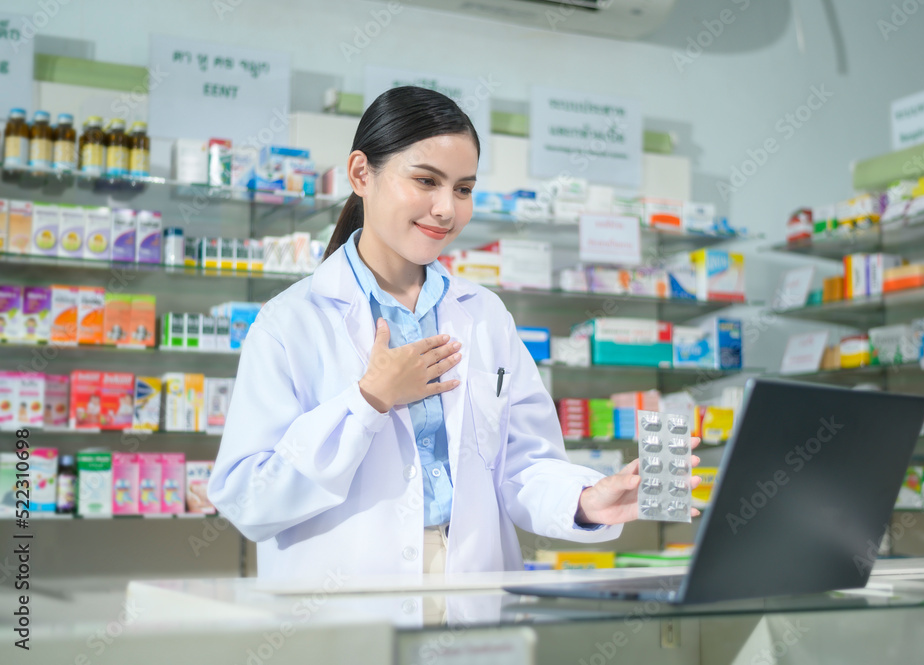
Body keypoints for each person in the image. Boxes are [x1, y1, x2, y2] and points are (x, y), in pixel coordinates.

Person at [208, 86, 699, 581]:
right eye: (426, 180)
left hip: (474, 583)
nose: (447, 208)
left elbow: (522, 466)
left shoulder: (485, 316)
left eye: (463, 189)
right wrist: (368, 401)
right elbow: (250, 500)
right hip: (346, 596)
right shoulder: (289, 322)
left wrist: (587, 500)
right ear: (361, 173)